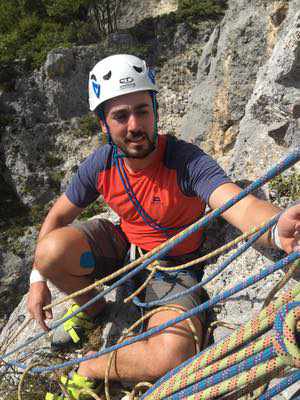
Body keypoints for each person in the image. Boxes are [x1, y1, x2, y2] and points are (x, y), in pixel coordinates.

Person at [27, 54, 300, 398]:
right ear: (103, 124)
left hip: (172, 269)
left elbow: (238, 204)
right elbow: (56, 218)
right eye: (120, 116)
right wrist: (38, 280)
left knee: (171, 356)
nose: (134, 126)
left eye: (142, 110)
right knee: (50, 252)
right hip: (124, 248)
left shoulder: (186, 161)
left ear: (155, 109)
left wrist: (277, 228)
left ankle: (92, 364)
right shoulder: (101, 163)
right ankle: (92, 310)